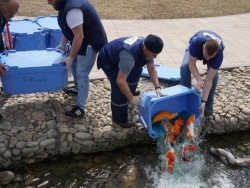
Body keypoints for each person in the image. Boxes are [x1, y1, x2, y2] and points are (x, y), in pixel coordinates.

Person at [48, 0, 107, 118]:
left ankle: (80, 108)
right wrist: (63, 44)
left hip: (90, 43)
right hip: (82, 40)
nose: (48, 2)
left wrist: (70, 57)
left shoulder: (72, 10)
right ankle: (77, 88)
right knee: (74, 66)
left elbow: (79, 35)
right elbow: (68, 27)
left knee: (81, 73)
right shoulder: (64, 6)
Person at [97, 34, 167, 128]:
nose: (155, 57)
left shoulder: (148, 46)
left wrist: (157, 87)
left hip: (126, 59)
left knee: (137, 71)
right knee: (119, 89)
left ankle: (130, 92)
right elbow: (120, 81)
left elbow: (152, 69)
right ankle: (119, 119)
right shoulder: (129, 57)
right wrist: (131, 98)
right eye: (154, 55)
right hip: (108, 60)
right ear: (145, 50)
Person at [180, 30, 225, 118]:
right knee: (184, 67)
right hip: (196, 46)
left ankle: (208, 104)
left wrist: (203, 101)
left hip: (212, 52)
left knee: (214, 76)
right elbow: (191, 65)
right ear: (203, 47)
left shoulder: (219, 54)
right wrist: (199, 80)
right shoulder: (196, 42)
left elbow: (209, 79)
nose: (207, 59)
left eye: (210, 57)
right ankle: (187, 98)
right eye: (206, 56)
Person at [0, 0, 19, 121]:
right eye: (11, 12)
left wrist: (2, 49)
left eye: (15, 12)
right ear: (1, 4)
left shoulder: (3, 15)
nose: (13, 15)